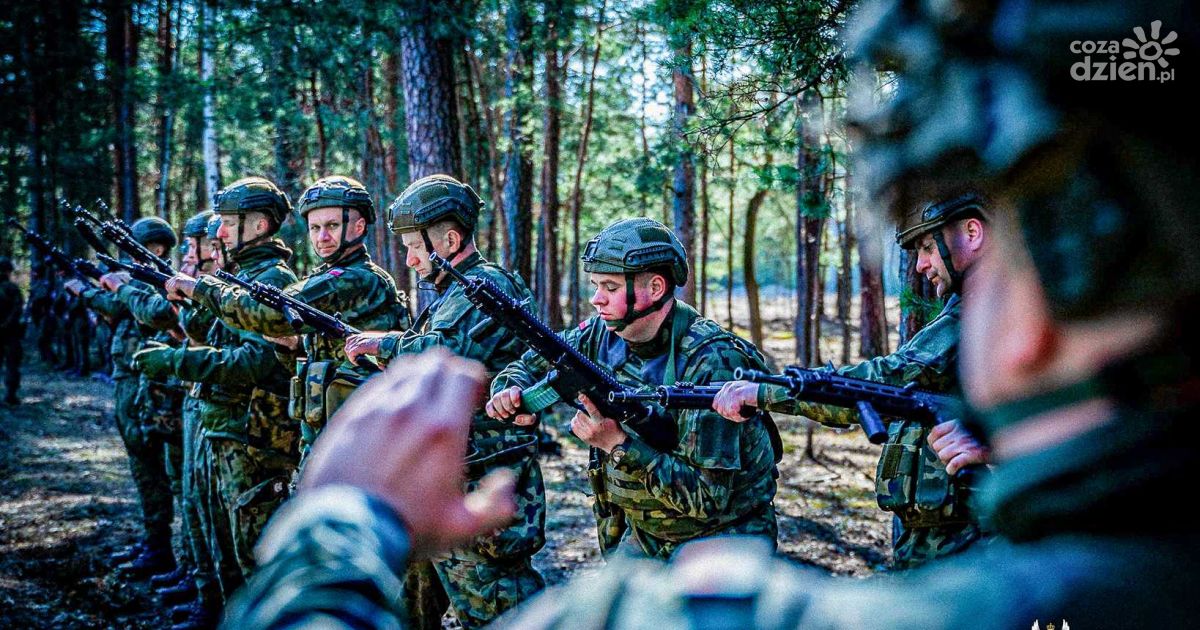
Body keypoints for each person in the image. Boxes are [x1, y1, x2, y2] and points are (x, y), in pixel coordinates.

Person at [714, 193, 991, 569]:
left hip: (969, 541)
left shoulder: (987, 311)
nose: (921, 264)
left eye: (927, 247)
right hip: (940, 530)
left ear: (972, 232)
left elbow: (890, 378)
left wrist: (764, 392)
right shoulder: (969, 307)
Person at [488, 218, 779, 560]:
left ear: (655, 289)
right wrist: (510, 390)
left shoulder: (712, 361)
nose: (596, 299)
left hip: (720, 546)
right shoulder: (599, 333)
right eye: (595, 285)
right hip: (643, 537)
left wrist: (616, 443)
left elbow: (707, 499)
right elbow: (528, 363)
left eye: (610, 288)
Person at [343, 175, 546, 628]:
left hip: (488, 476)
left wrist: (383, 345)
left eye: (415, 247)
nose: (411, 260)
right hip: (455, 474)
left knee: (497, 606)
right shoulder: (454, 293)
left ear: (450, 240)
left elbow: (443, 352)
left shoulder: (485, 286)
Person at [140, 180, 300, 628]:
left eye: (229, 225)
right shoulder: (234, 279)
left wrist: (177, 361)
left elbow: (254, 361)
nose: (221, 235)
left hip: (253, 435)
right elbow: (208, 333)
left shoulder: (271, 282)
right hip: (227, 426)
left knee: (253, 556)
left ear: (261, 225)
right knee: (223, 537)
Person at [165, 176, 412, 464]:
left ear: (358, 228)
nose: (322, 237)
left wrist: (199, 288)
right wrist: (290, 348)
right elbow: (313, 355)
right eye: (315, 228)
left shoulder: (355, 278)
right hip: (332, 433)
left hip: (363, 440)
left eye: (332, 226)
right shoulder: (328, 277)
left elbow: (270, 311)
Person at [64, 217, 179, 579]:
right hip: (132, 377)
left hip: (148, 382)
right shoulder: (142, 278)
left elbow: (125, 309)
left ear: (156, 248)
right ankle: (154, 542)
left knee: (153, 468)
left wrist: (86, 292)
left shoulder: (156, 281)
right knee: (143, 467)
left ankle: (162, 549)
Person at [0, 256, 23, 405]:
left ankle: (10, 395)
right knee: (12, 363)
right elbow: (17, 309)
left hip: (8, 331)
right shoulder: (12, 288)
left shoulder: (10, 288)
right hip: (9, 333)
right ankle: (10, 395)